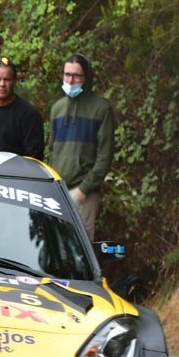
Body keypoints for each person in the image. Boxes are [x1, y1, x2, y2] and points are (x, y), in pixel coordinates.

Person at [48, 53, 117, 240]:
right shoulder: (57, 108)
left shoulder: (101, 109)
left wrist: (84, 189)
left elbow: (105, 156)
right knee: (55, 245)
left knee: (80, 248)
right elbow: (52, 150)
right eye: (66, 74)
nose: (70, 80)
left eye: (76, 75)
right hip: (58, 190)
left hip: (83, 193)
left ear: (86, 77)